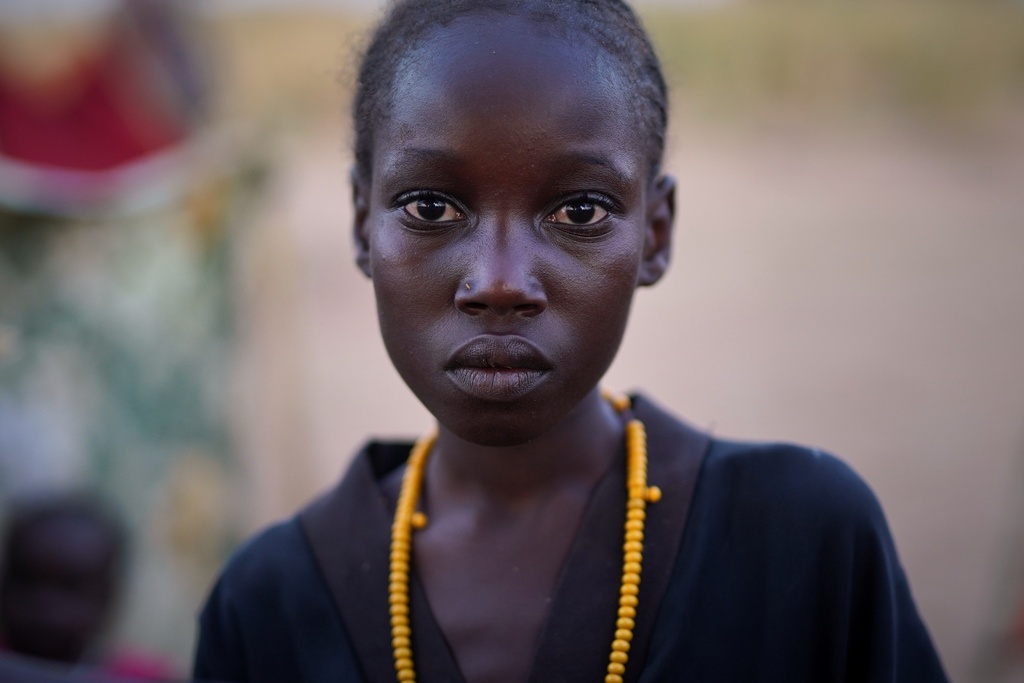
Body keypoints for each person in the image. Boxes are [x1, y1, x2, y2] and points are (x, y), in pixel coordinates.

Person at [193, 0, 949, 681]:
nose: (498, 280)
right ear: (363, 224)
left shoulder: (803, 544)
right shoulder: (266, 608)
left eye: (578, 211)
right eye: (430, 205)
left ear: (655, 234)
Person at [0, 494, 172, 680]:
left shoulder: (142, 677)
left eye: (70, 587)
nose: (45, 604)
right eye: (27, 580)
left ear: (108, 595)